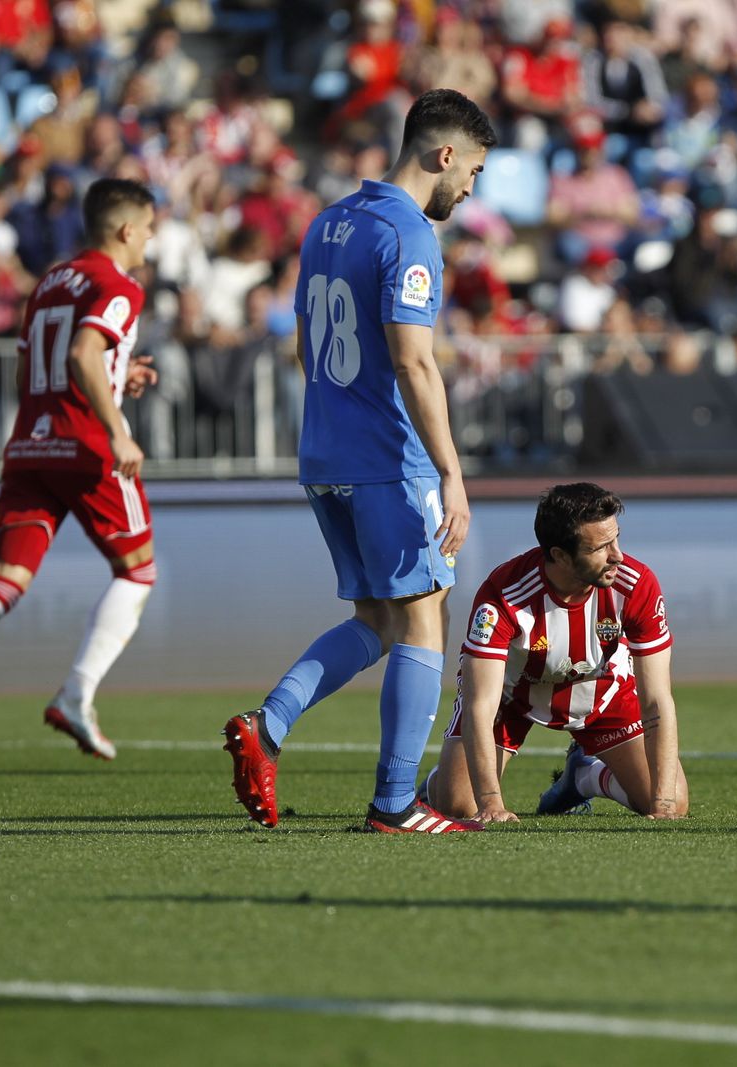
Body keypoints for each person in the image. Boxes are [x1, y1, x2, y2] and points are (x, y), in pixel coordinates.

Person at [222, 89, 495, 834]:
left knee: (376, 618)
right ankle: (395, 802)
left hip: (324, 452)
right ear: (443, 155)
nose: (472, 187)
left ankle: (268, 725)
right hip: (386, 455)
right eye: (472, 169)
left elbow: (308, 347)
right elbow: (414, 361)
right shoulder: (410, 235)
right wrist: (451, 471)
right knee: (422, 619)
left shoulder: (327, 222)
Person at [0, 178, 160, 774]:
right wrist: (116, 425)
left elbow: (37, 365)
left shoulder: (50, 282)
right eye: (147, 227)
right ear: (125, 230)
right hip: (89, 448)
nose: (151, 238)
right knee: (138, 570)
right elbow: (83, 355)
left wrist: (119, 377)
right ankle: (76, 695)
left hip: (31, 442)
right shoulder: (119, 284)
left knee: (4, 580)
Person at [420, 483, 687, 822]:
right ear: (560, 555)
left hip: (602, 695)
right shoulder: (503, 594)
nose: (617, 555)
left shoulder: (636, 584)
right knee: (459, 805)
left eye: (616, 539)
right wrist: (490, 804)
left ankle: (585, 776)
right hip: (511, 699)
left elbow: (656, 700)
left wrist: (661, 806)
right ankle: (437, 785)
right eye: (602, 547)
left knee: (673, 800)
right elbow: (480, 705)